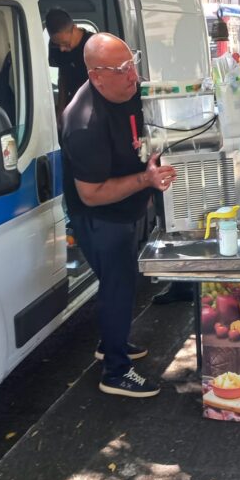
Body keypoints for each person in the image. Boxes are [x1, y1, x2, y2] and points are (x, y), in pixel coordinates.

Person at [61, 33, 177, 397]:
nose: (134, 75)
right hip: (99, 217)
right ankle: (114, 370)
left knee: (124, 282)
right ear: (97, 77)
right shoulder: (83, 121)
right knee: (118, 285)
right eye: (122, 70)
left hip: (127, 208)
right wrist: (145, 178)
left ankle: (112, 342)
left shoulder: (127, 89)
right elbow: (91, 194)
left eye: (133, 63)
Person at [46, 8, 93, 116]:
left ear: (75, 29)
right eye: (57, 44)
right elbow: (62, 77)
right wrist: (61, 110)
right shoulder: (55, 44)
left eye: (65, 43)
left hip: (93, 104)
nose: (61, 49)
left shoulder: (93, 44)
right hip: (71, 102)